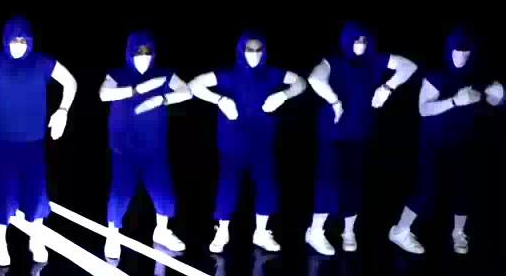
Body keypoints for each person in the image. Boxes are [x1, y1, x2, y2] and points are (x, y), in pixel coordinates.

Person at [0, 16, 77, 266]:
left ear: (30, 40)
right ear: (5, 39)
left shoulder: (42, 62)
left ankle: (36, 238)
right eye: (14, 39)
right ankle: (0, 241)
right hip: (3, 141)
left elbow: (70, 82)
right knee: (4, 192)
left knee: (37, 191)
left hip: (34, 141)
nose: (18, 44)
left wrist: (63, 110)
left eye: (23, 40)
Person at [189, 33, 307, 254]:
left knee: (266, 184)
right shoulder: (229, 75)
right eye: (249, 49)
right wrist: (219, 100)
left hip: (263, 139)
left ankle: (261, 232)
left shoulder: (272, 73)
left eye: (258, 49)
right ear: (240, 51)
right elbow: (194, 85)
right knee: (228, 184)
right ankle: (223, 230)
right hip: (232, 140)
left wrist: (284, 95)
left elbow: (301, 82)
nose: (254, 54)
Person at [306, 22, 417, 255]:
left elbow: (409, 66)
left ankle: (348, 231)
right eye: (356, 40)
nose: (360, 45)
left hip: (360, 131)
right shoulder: (334, 61)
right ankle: (315, 232)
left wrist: (387, 87)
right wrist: (335, 101)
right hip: (333, 132)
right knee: (328, 181)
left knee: (355, 182)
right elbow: (315, 79)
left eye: (364, 40)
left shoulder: (375, 60)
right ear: (347, 41)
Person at [388, 30, 502, 255]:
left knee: (464, 188)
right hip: (434, 144)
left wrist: (498, 97)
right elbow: (423, 109)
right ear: (449, 50)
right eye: (457, 50)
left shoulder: (479, 76)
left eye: (466, 51)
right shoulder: (436, 76)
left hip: (466, 142)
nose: (461, 56)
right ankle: (400, 231)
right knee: (426, 189)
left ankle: (458, 233)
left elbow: (492, 100)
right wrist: (454, 101)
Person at [100, 32, 193, 259]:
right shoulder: (118, 74)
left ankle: (162, 231)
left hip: (155, 146)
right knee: (120, 192)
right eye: (138, 51)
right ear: (129, 52)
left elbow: (187, 91)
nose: (143, 56)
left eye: (147, 51)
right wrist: (136, 90)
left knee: (163, 191)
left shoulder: (163, 74)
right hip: (124, 146)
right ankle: (113, 234)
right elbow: (104, 94)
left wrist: (163, 99)